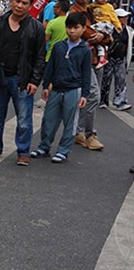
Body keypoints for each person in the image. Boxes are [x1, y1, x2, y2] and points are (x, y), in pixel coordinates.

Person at [0, 0, 46, 166]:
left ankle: (23, 151)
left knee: (24, 119)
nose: (20, 6)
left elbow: (40, 56)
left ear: (30, 5)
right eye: (17, 1)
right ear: (11, 0)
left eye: (24, 3)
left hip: (22, 80)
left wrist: (35, 80)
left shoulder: (36, 27)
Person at [30, 12, 91, 164]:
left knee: (70, 123)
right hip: (56, 88)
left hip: (73, 89)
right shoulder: (58, 47)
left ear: (83, 29)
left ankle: (64, 150)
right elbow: (50, 66)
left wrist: (84, 94)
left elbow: (86, 74)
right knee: (49, 120)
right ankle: (44, 147)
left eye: (76, 28)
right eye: (69, 27)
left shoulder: (85, 50)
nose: (72, 31)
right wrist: (45, 85)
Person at [70, 0, 109, 151]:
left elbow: (108, 34)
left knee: (90, 95)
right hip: (82, 58)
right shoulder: (75, 13)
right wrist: (103, 36)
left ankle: (79, 132)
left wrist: (105, 36)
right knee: (93, 94)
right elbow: (90, 35)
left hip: (95, 58)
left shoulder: (92, 10)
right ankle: (89, 133)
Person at [99, 8, 131, 110]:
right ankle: (103, 100)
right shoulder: (109, 29)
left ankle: (121, 101)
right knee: (106, 80)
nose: (125, 19)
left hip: (121, 58)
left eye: (126, 17)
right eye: (122, 17)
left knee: (121, 80)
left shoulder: (129, 30)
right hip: (110, 57)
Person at [88, 0, 120, 68]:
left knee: (89, 29)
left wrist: (118, 26)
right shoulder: (92, 6)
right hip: (99, 27)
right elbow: (87, 8)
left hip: (106, 25)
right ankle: (102, 58)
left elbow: (114, 17)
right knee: (100, 43)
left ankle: (89, 43)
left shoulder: (109, 6)